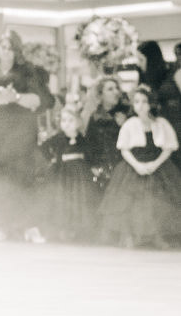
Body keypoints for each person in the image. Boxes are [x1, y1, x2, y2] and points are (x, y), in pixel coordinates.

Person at [0, 30, 48, 242]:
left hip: (20, 131)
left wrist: (16, 97)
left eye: (11, 48)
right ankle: (1, 225)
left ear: (17, 51)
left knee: (24, 179)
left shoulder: (27, 70)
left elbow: (38, 100)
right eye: (3, 47)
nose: (6, 52)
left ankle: (29, 226)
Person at [100, 84, 181, 249]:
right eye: (137, 102)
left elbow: (169, 148)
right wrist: (137, 165)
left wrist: (155, 164)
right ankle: (129, 235)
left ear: (151, 103)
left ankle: (157, 235)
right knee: (130, 202)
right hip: (134, 166)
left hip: (157, 166)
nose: (140, 105)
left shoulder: (161, 123)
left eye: (144, 102)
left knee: (158, 201)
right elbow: (124, 149)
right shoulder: (130, 124)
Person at [37, 104, 97, 243]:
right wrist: (51, 159)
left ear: (78, 122)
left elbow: (89, 154)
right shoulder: (58, 138)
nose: (67, 124)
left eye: (70, 120)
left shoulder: (82, 138)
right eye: (64, 120)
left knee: (78, 198)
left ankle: (76, 229)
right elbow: (44, 147)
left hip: (79, 173)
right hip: (62, 172)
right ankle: (62, 228)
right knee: (62, 198)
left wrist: (91, 166)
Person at [81, 74, 132, 191]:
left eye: (117, 88)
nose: (116, 92)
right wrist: (93, 166)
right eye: (110, 89)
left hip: (124, 170)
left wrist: (125, 125)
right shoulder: (95, 117)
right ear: (100, 95)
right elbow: (89, 145)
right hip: (102, 172)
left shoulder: (127, 114)